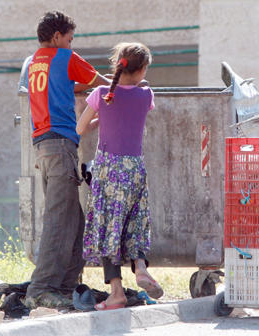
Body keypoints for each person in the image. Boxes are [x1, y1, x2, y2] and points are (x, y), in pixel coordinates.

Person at [23, 11, 110, 309]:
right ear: (57, 36)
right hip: (60, 147)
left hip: (45, 148)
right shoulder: (65, 57)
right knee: (60, 220)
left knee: (74, 221)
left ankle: (65, 285)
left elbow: (62, 88)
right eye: (70, 39)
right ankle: (41, 288)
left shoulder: (33, 63)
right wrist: (127, 83)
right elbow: (101, 85)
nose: (72, 44)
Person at [76, 42, 163, 310]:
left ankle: (116, 293)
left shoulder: (101, 94)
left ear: (118, 64)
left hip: (108, 170)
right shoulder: (146, 95)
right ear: (143, 69)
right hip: (135, 169)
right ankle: (139, 267)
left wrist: (100, 117)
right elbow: (136, 103)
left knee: (108, 228)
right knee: (135, 221)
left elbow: (80, 128)